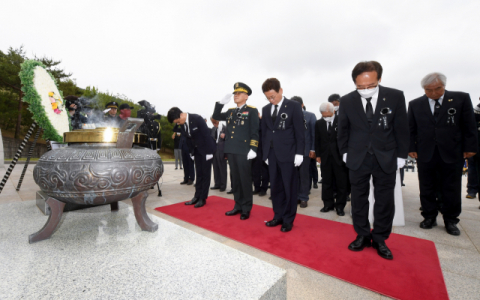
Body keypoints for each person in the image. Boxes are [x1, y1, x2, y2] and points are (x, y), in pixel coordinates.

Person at [337, 61, 409, 260]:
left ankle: (379, 238)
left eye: (370, 86)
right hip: (357, 157)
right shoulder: (347, 100)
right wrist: (344, 151)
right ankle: (362, 234)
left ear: (379, 79)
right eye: (360, 87)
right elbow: (342, 129)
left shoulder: (395, 96)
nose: (366, 90)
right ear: (355, 83)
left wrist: (402, 155)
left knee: (384, 200)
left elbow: (402, 128)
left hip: (385, 157)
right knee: (359, 199)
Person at [408, 72, 477, 236]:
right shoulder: (415, 104)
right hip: (426, 152)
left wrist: (470, 147)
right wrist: (411, 148)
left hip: (452, 151)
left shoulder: (461, 99)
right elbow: (410, 129)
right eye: (428, 90)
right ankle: (429, 216)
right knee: (426, 186)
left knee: (451, 187)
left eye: (437, 89)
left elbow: (469, 126)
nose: (433, 93)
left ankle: (451, 220)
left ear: (444, 86)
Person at [261, 78, 305, 232]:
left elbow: (300, 131)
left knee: (289, 188)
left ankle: (288, 219)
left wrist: (300, 153)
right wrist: (265, 153)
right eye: (268, 97)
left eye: (273, 96)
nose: (271, 100)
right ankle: (278, 215)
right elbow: (266, 132)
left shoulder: (293, 106)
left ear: (281, 91)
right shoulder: (266, 109)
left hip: (289, 153)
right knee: (276, 188)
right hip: (272, 155)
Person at [212, 82, 259, 220]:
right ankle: (237, 205)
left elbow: (254, 132)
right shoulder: (230, 111)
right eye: (235, 93)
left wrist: (253, 149)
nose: (236, 95)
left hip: (244, 151)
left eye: (239, 93)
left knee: (245, 179)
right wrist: (221, 103)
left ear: (246, 96)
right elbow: (215, 115)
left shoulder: (252, 111)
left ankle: (246, 208)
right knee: (235, 180)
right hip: (231, 150)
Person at [167, 107, 215, 208]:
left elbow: (207, 135)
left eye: (178, 121)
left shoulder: (197, 119)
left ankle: (203, 198)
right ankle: (196, 196)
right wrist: (191, 153)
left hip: (206, 150)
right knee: (199, 174)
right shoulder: (183, 124)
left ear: (181, 115)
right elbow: (188, 140)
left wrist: (210, 152)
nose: (178, 123)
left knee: (205, 174)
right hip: (196, 151)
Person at [315, 102, 348, 216]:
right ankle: (327, 204)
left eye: (328, 115)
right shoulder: (319, 123)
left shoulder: (342, 120)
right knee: (326, 182)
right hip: (325, 157)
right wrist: (318, 155)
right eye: (324, 116)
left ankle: (340, 206)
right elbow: (317, 140)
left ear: (334, 111)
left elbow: (346, 137)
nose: (326, 118)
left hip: (340, 156)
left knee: (341, 182)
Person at [291, 96, 316, 208]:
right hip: (291, 152)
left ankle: (304, 198)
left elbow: (314, 134)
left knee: (304, 175)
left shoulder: (310, 116)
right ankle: (296, 196)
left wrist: (313, 149)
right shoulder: (288, 116)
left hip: (305, 151)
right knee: (293, 176)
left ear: (302, 105)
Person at [252, 113, 269, 197]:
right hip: (255, 149)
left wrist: (260, 119)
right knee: (255, 170)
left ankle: (264, 188)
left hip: (264, 149)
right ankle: (257, 187)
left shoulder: (263, 121)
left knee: (265, 170)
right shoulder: (251, 122)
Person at [210, 117, 227, 192]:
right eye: (213, 123)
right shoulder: (213, 129)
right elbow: (212, 138)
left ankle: (223, 185)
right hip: (214, 150)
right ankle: (217, 184)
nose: (214, 124)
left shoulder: (225, 128)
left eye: (215, 123)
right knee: (215, 167)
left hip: (222, 150)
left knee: (222, 168)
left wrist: (226, 154)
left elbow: (229, 140)